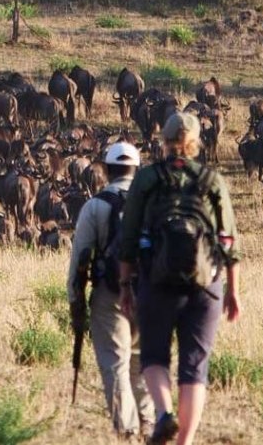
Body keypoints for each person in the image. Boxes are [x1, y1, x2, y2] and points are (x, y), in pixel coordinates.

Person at [117, 112, 241, 445]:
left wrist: (127, 285)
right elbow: (229, 240)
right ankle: (184, 442)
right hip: (205, 285)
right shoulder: (212, 180)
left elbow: (128, 239)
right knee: (194, 367)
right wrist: (233, 290)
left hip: (156, 282)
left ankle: (163, 413)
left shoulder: (146, 180)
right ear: (195, 143)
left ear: (164, 140)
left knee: (154, 356)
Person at [68, 142, 154, 438]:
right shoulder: (153, 202)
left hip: (110, 293)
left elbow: (80, 257)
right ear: (137, 170)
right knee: (143, 361)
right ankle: (149, 423)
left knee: (115, 363)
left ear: (105, 170)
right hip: (148, 293)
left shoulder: (95, 206)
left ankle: (127, 431)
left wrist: (75, 300)